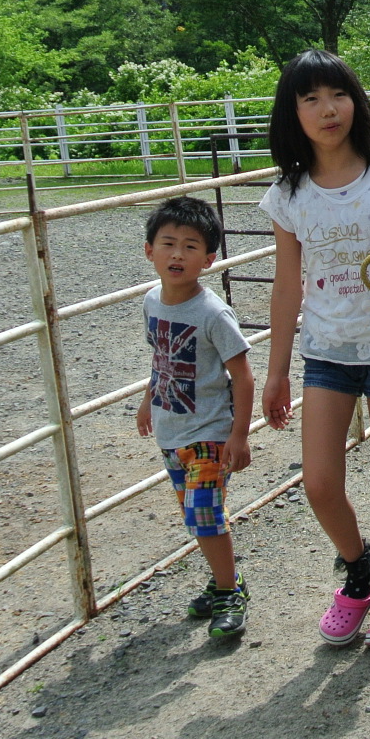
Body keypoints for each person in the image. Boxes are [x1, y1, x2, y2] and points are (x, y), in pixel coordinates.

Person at [259, 49, 370, 649]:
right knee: (319, 483)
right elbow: (287, 285)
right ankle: (360, 566)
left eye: (337, 94)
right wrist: (276, 372)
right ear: (293, 114)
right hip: (326, 353)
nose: (327, 109)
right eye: (310, 98)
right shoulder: (289, 194)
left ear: (355, 102)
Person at [136, 196, 255, 639]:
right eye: (168, 244)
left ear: (208, 259)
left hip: (209, 433)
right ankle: (223, 579)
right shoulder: (152, 301)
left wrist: (239, 436)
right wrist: (148, 400)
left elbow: (243, 377)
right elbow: (161, 357)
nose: (177, 255)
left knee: (204, 513)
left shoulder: (212, 313)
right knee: (195, 517)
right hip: (171, 431)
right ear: (150, 251)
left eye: (190, 247)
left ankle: (230, 591)